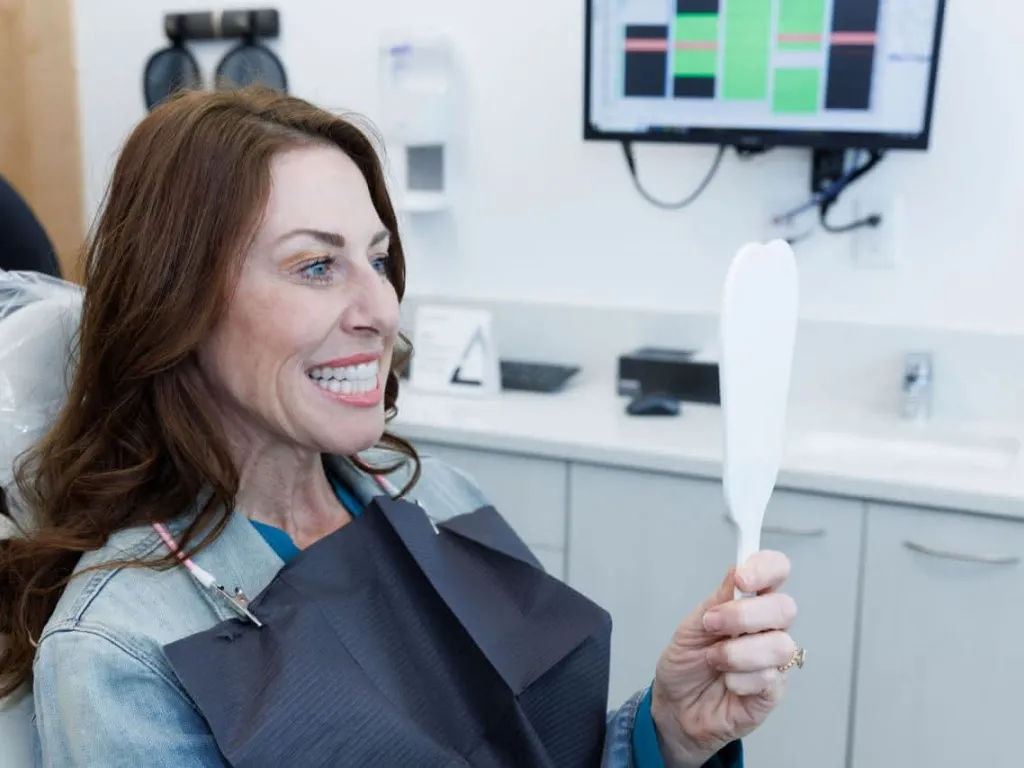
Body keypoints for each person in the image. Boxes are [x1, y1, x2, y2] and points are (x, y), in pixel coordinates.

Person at [0, 88, 800, 767]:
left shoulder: (439, 501)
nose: (380, 307)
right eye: (317, 265)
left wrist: (668, 732)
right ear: (179, 304)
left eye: (377, 260)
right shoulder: (121, 651)